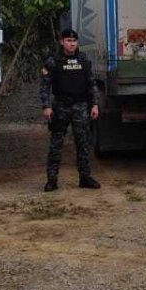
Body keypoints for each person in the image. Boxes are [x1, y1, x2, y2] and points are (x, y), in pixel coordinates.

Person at [40, 29, 100, 192]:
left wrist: (94, 105)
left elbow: (91, 85)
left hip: (81, 106)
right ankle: (52, 180)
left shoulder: (83, 60)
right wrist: (46, 106)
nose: (72, 43)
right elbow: (45, 86)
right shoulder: (54, 61)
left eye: (74, 41)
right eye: (68, 40)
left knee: (83, 144)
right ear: (61, 42)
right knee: (56, 145)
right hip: (61, 107)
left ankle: (85, 177)